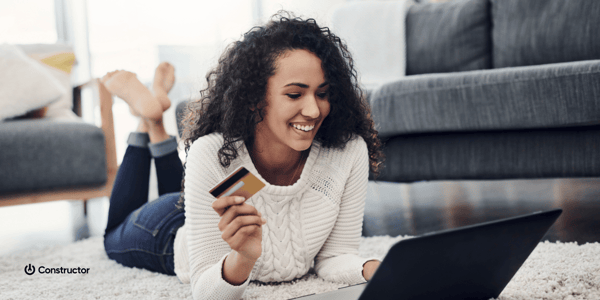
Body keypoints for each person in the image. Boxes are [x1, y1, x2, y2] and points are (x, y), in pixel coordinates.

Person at [102, 12, 385, 300]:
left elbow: (336, 256)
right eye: (294, 95)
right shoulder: (213, 152)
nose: (314, 111)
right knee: (112, 236)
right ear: (253, 99)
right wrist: (243, 259)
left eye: (322, 93)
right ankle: (146, 122)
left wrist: (375, 269)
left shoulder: (347, 152)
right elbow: (205, 291)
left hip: (198, 201)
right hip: (169, 231)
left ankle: (151, 119)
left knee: (182, 192)